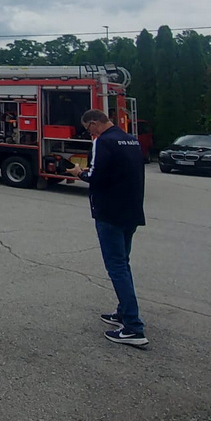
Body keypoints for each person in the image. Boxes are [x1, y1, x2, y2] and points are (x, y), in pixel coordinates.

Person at [77, 108, 148, 347]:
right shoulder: (131, 140)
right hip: (131, 211)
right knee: (123, 264)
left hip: (109, 213)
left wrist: (80, 173)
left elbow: (95, 175)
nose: (90, 134)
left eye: (88, 130)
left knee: (116, 267)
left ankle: (133, 327)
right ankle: (123, 311)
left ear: (94, 123)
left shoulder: (103, 142)